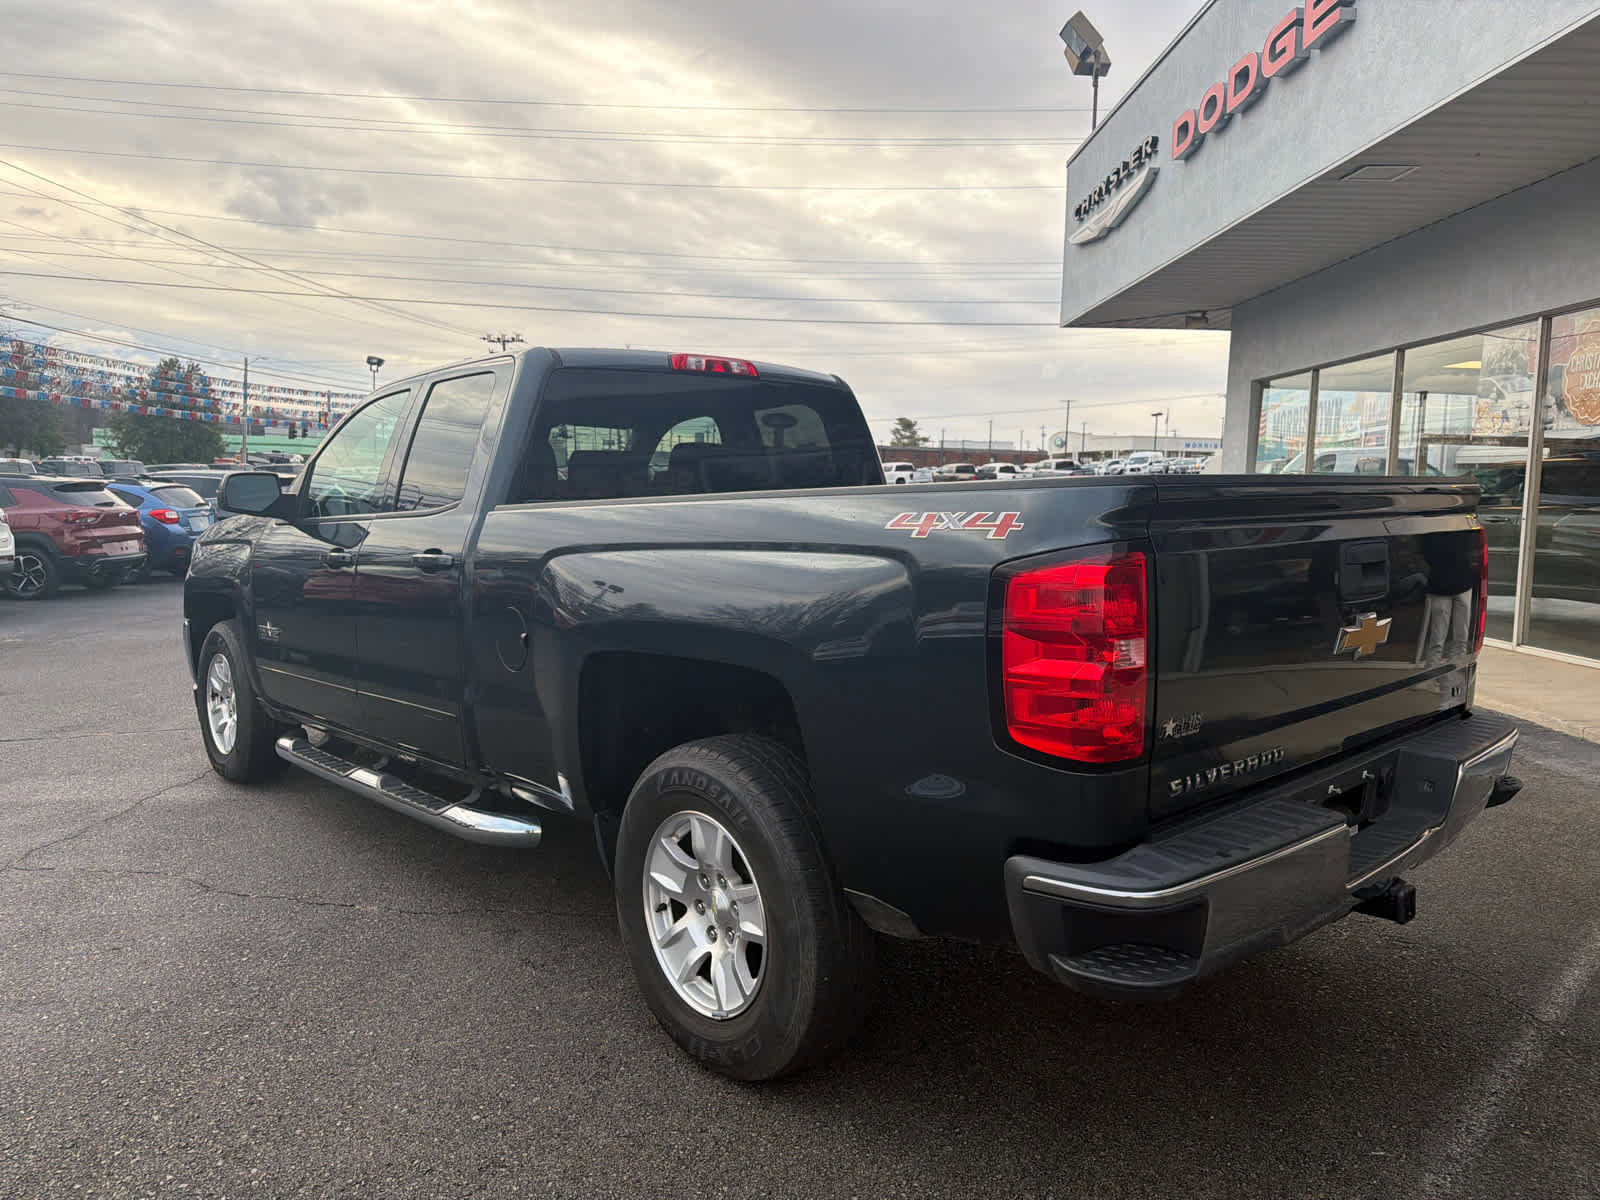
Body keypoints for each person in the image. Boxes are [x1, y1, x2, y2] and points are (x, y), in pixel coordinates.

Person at [1417, 531, 1479, 665]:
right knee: (1445, 640)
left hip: (1450, 583)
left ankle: (1440, 675)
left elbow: (1422, 555)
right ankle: (1442, 675)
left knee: (1444, 640)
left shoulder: (1434, 527)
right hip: (1449, 584)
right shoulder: (1460, 522)